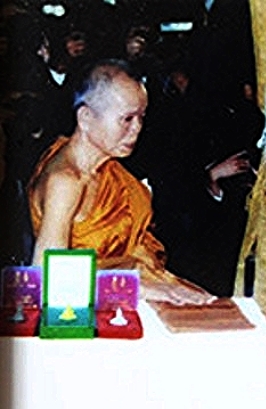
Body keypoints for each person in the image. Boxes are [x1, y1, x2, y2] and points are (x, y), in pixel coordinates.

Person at [27, 59, 212, 305]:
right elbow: (48, 278)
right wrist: (140, 289)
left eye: (141, 118)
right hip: (82, 308)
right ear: (85, 118)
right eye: (126, 119)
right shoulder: (65, 181)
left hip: (133, 283)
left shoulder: (106, 168)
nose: (136, 129)